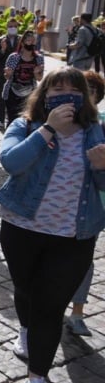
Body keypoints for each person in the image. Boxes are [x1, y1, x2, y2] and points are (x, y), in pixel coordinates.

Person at [0, 67, 105, 383]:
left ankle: (37, 381)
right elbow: (11, 163)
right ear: (44, 95)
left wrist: (103, 168)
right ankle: (24, 329)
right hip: (21, 229)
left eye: (73, 89)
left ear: (84, 97)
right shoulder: (25, 126)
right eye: (56, 89)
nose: (64, 94)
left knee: (50, 307)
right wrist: (48, 129)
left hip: (73, 237)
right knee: (26, 292)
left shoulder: (96, 132)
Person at [65, 70, 105, 336]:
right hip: (62, 202)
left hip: (94, 203)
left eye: (91, 89)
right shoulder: (60, 121)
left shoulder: (101, 126)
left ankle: (77, 311)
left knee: (83, 259)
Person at [2, 30, 44, 125]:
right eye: (29, 40)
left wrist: (37, 73)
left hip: (29, 93)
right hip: (12, 92)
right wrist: (8, 73)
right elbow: (7, 77)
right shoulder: (14, 57)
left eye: (33, 41)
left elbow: (39, 79)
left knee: (27, 119)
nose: (31, 43)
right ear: (23, 42)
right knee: (12, 120)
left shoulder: (39, 58)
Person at [0, 19, 21, 130]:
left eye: (14, 26)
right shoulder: (0, 40)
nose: (12, 28)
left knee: (15, 97)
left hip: (18, 73)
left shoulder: (21, 40)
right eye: (10, 26)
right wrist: (2, 49)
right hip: (3, 73)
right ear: (7, 27)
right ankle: (1, 121)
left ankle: (14, 120)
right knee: (2, 97)